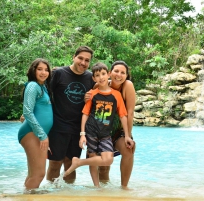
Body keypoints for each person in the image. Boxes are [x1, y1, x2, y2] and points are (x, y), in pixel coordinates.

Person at [63, 62, 132, 187]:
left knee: (108, 160)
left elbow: (123, 115)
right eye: (97, 75)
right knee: (93, 157)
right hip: (91, 131)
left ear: (108, 74)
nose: (101, 77)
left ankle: (79, 162)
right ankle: (97, 187)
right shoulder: (93, 93)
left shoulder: (117, 95)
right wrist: (82, 134)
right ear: (94, 78)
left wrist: (127, 135)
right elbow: (85, 114)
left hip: (105, 133)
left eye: (103, 74)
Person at [45, 46, 96, 183]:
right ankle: (51, 194)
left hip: (78, 129)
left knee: (71, 165)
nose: (83, 63)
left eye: (87, 60)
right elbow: (43, 94)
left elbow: (103, 92)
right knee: (55, 164)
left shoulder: (91, 77)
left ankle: (69, 195)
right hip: (58, 126)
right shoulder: (59, 73)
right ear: (73, 57)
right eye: (80, 58)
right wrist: (28, 113)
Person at [85, 60, 136, 189]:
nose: (119, 75)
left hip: (119, 131)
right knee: (103, 167)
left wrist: (127, 136)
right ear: (110, 73)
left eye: (123, 73)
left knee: (129, 149)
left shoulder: (127, 86)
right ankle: (103, 192)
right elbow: (90, 105)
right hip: (100, 130)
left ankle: (124, 187)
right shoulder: (100, 85)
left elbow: (129, 114)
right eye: (116, 71)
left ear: (126, 75)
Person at [18, 58, 53, 190]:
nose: (43, 72)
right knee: (39, 174)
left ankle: (25, 196)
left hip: (38, 133)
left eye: (46, 70)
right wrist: (42, 134)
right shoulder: (33, 86)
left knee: (34, 174)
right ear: (33, 70)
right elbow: (27, 111)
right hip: (32, 133)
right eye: (40, 69)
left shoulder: (42, 87)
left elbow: (34, 109)